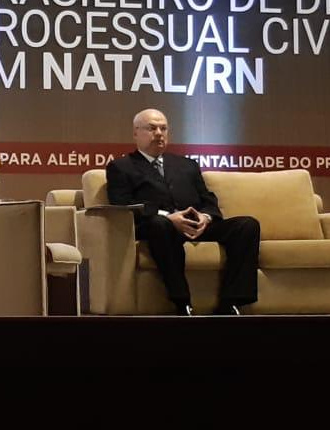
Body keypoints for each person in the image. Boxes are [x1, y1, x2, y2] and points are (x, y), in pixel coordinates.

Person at [105, 108, 260, 316]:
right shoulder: (121, 167)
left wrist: (205, 217)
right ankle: (182, 302)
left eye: (163, 128)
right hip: (158, 227)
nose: (159, 133)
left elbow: (208, 200)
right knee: (160, 225)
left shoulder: (187, 165)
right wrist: (168, 217)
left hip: (195, 225)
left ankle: (231, 302)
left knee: (247, 225)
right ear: (135, 133)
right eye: (151, 128)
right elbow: (122, 205)